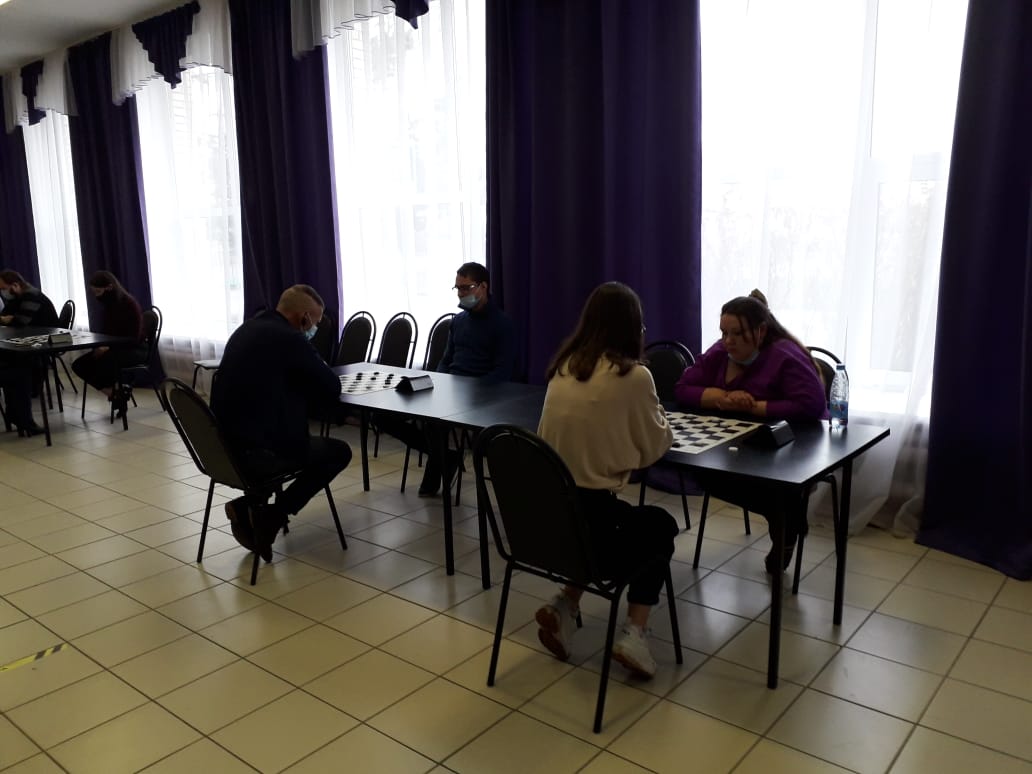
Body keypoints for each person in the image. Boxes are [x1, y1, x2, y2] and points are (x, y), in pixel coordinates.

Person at [534, 281, 677, 679]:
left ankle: (565, 604)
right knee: (659, 527)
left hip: (548, 523)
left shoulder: (564, 366)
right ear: (633, 327)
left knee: (604, 519)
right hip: (593, 530)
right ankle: (635, 634)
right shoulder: (634, 376)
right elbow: (655, 447)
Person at [674, 289, 828, 573]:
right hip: (736, 437)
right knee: (702, 471)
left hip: (793, 441)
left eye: (736, 333)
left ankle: (784, 517)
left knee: (761, 478)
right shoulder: (721, 351)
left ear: (760, 332)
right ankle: (784, 514)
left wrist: (755, 406)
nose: (727, 341)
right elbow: (682, 388)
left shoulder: (784, 354)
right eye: (723, 333)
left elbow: (811, 405)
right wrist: (721, 397)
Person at [211, 285, 352, 561]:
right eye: (316, 323)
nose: (315, 329)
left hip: (222, 446)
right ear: (304, 318)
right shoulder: (290, 339)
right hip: (258, 452)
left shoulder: (248, 328)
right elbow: (331, 386)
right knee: (338, 453)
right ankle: (273, 515)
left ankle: (248, 506)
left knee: (288, 438)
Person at [379, 261, 517, 496]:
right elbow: (445, 360)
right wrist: (440, 384)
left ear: (483, 287)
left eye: (466, 287)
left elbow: (502, 373)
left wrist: (470, 391)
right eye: (458, 288)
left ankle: (440, 467)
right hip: (450, 389)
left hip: (479, 395)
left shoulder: (502, 325)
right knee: (383, 416)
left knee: (435, 424)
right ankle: (447, 457)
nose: (461, 293)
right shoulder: (459, 321)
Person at [71, 271, 146, 417]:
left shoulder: (128, 304)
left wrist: (107, 347)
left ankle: (120, 392)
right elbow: (106, 333)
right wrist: (101, 346)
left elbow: (133, 338)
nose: (96, 296)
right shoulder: (109, 305)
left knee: (106, 362)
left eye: (98, 292)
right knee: (79, 365)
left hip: (134, 349)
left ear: (110, 287)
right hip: (114, 347)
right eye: (94, 292)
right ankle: (114, 393)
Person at [0, 270, 60, 436]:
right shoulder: (18, 296)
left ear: (15, 285)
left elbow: (18, 321)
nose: (3, 293)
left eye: (3, 288)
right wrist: (9, 319)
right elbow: (8, 318)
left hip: (45, 342)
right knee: (20, 372)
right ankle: (23, 419)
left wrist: (9, 319)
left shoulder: (31, 296)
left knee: (20, 366)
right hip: (28, 343)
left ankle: (17, 416)